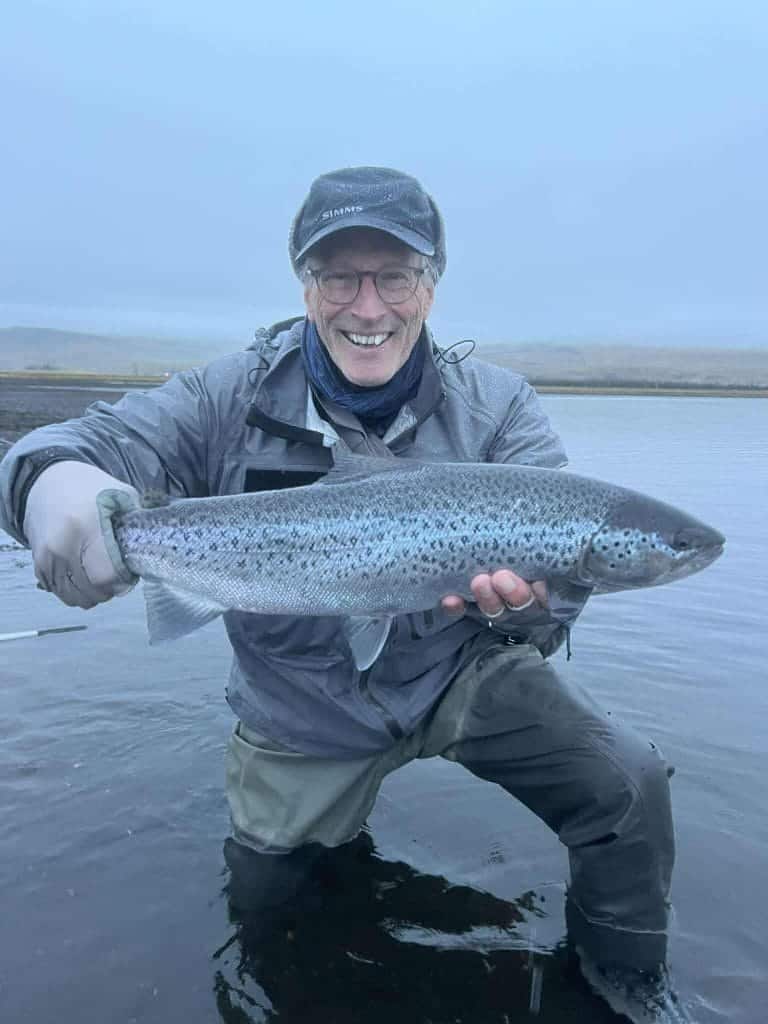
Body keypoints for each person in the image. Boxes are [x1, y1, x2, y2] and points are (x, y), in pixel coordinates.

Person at [0, 167, 688, 1022]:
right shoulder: (228, 393)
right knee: (272, 907)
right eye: (340, 278)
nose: (368, 308)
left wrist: (531, 612)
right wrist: (46, 484)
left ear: (430, 286)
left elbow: (551, 614)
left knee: (629, 785)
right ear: (306, 285)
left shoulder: (502, 409)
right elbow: (75, 441)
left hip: (457, 676)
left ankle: (624, 988)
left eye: (393, 276)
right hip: (301, 710)